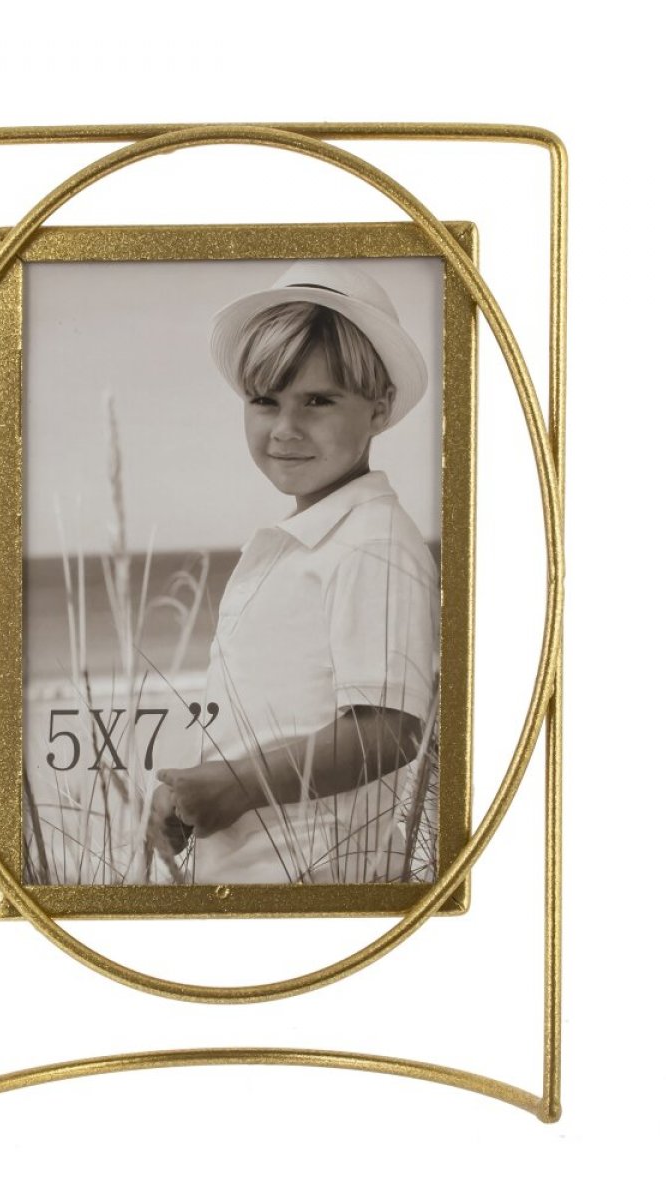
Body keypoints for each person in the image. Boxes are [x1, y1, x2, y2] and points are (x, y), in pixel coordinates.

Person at [151, 261, 440, 884]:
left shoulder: (373, 541)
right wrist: (195, 790)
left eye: (318, 401)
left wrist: (235, 785)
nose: (286, 429)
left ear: (380, 409)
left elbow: (389, 732)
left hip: (320, 880)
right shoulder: (305, 542)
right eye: (265, 401)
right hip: (257, 875)